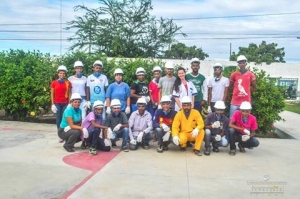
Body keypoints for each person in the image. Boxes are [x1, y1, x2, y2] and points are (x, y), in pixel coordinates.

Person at [51, 65, 72, 130]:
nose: (62, 74)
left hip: (65, 103)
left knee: (65, 118)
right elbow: (52, 94)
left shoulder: (68, 83)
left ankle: (65, 131)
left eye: (63, 73)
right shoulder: (54, 83)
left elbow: (69, 93)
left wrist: (69, 103)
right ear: (58, 74)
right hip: (57, 103)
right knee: (58, 118)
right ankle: (59, 132)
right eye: (60, 73)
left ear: (65, 74)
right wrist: (52, 104)